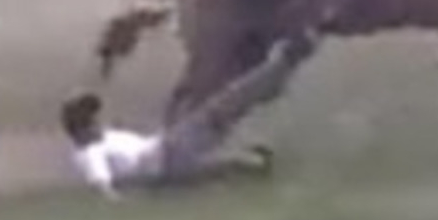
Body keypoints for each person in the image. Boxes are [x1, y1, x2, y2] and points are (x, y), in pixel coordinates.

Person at [64, 32, 318, 198]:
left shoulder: (105, 139)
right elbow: (102, 185)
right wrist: (121, 203)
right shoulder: (90, 154)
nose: (99, 121)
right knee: (221, 110)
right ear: (81, 126)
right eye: (92, 118)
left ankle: (260, 170)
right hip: (169, 157)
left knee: (225, 164)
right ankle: (283, 63)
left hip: (169, 162)